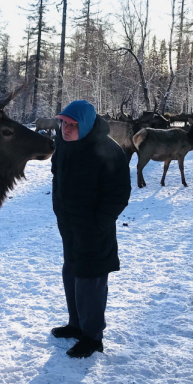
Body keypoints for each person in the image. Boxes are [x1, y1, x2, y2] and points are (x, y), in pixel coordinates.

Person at [51, 100, 131, 357]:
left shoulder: (108, 151)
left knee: (91, 282)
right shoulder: (63, 146)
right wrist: (59, 211)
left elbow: (119, 194)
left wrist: (98, 223)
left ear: (84, 125)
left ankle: (92, 337)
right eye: (63, 123)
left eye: (72, 125)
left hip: (94, 231)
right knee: (72, 274)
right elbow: (57, 176)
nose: (66, 129)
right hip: (69, 227)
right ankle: (76, 325)